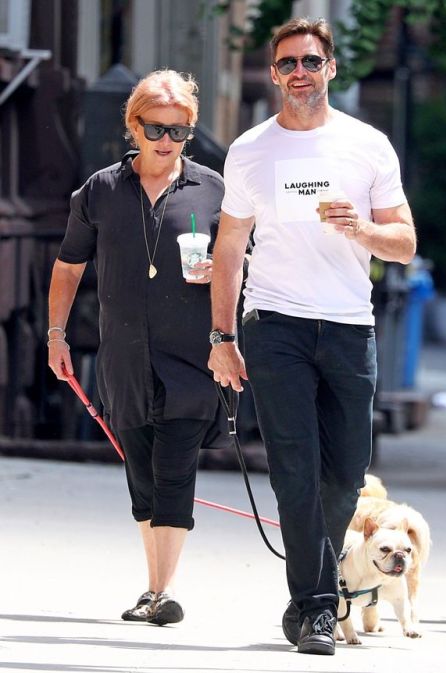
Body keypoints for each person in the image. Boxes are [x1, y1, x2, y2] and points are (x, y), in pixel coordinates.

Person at [208, 17, 416, 656]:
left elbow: (405, 244)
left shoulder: (369, 145)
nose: (300, 71)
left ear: (330, 69)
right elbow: (228, 250)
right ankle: (321, 608)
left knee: (345, 475)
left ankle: (307, 596)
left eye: (311, 61)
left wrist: (361, 230)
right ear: (275, 74)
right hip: (274, 327)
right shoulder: (249, 150)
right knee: (295, 472)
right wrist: (222, 337)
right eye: (288, 63)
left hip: (351, 327)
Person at [48, 68, 232, 626]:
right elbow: (68, 266)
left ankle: (161, 591)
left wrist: (224, 278)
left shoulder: (212, 189)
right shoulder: (100, 190)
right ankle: (153, 588)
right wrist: (56, 335)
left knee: (175, 470)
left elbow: (242, 262)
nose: (166, 141)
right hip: (124, 357)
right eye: (155, 129)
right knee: (143, 476)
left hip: (190, 356)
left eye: (179, 132)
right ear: (134, 126)